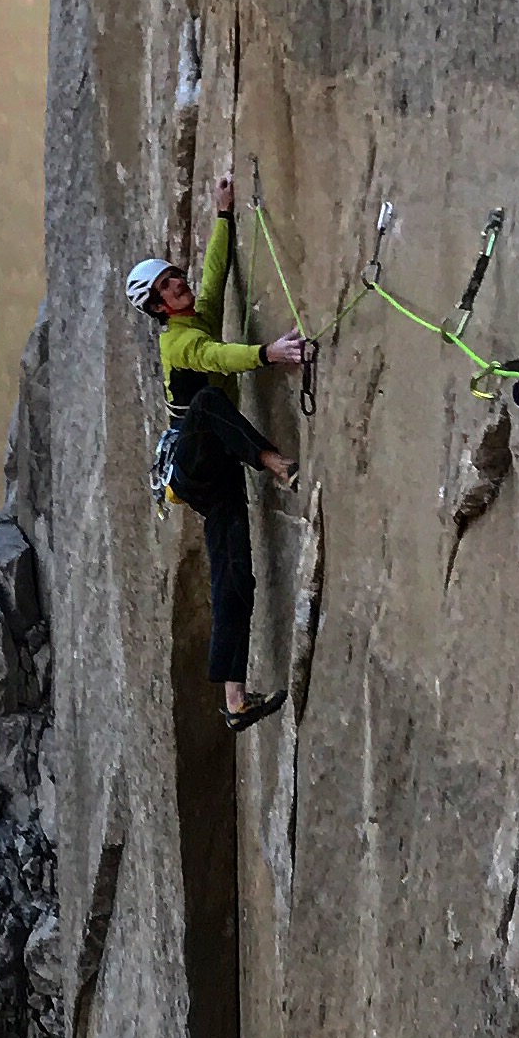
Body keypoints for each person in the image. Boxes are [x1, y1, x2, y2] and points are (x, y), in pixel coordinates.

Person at [125, 167, 313, 731]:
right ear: (157, 310)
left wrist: (224, 213)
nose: (177, 286)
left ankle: (234, 699)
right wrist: (268, 355)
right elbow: (218, 359)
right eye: (165, 289)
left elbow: (214, 273)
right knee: (206, 401)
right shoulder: (180, 343)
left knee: (237, 577)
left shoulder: (195, 312)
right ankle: (275, 463)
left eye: (172, 279)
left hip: (216, 470)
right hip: (195, 460)